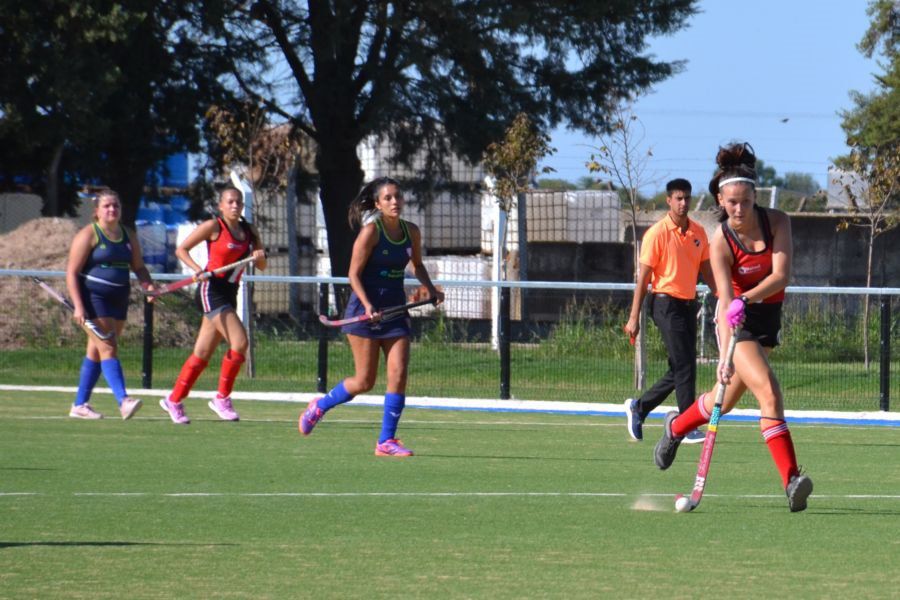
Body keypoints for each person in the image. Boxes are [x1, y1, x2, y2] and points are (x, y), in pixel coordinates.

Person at [653, 142, 813, 512]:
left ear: (755, 196)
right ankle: (792, 481)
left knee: (722, 401)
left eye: (744, 201)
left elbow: (781, 275)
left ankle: (676, 428)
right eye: (731, 203)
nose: (738, 209)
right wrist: (726, 352)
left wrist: (749, 297)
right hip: (736, 324)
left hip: (762, 315)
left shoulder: (778, 223)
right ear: (721, 201)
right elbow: (726, 302)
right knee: (769, 393)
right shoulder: (721, 241)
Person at [298, 176, 444, 456]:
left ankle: (385, 441)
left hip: (394, 311)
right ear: (377, 203)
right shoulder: (370, 232)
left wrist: (430, 289)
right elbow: (353, 274)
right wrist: (366, 306)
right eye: (387, 198)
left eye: (397, 197)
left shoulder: (411, 231)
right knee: (364, 381)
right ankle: (320, 405)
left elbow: (417, 265)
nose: (394, 202)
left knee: (398, 374)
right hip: (364, 312)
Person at [159, 185, 267, 424]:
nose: (235, 205)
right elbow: (181, 249)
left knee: (202, 353)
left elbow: (261, 266)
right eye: (230, 202)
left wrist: (260, 255)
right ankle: (222, 398)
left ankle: (174, 400)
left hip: (231, 292)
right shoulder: (214, 226)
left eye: (238, 202)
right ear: (221, 205)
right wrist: (197, 270)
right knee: (240, 342)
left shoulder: (249, 230)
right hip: (211, 289)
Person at [623, 179, 716, 443]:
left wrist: (725, 296)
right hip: (664, 304)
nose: (684, 203)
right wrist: (633, 317)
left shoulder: (698, 232)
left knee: (681, 368)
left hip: (688, 305)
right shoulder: (657, 233)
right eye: (678, 198)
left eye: (687, 198)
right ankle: (687, 424)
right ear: (669, 200)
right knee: (685, 364)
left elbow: (707, 271)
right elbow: (643, 279)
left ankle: (639, 408)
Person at [66, 189, 155, 420]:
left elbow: (139, 267)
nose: (112, 210)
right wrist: (78, 305)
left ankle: (79, 405)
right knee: (108, 346)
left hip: (120, 298)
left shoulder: (128, 235)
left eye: (115, 205)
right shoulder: (88, 235)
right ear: (96, 211)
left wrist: (148, 286)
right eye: (107, 206)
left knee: (96, 350)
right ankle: (123, 400)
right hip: (94, 298)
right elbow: (72, 272)